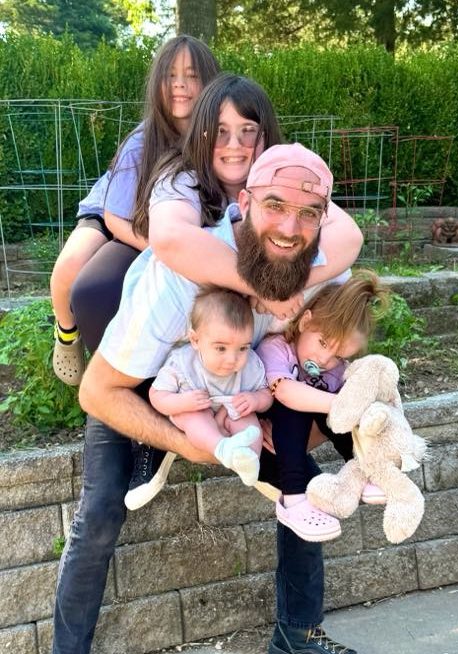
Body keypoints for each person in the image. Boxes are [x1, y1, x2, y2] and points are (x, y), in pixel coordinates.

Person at [39, 141, 373, 654]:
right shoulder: (179, 279)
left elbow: (325, 359)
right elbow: (96, 391)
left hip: (241, 387)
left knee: (299, 477)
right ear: (244, 204)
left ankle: (298, 631)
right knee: (101, 510)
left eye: (310, 213)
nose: (291, 227)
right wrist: (186, 441)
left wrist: (324, 417)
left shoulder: (317, 271)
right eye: (275, 205)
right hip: (141, 385)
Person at [123, 71, 363, 509]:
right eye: (221, 132)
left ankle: (288, 473)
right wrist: (262, 288)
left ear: (266, 135)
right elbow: (173, 240)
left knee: (297, 479)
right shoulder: (181, 178)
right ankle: (154, 440)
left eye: (248, 132)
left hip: (243, 355)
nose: (235, 145)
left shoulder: (290, 183)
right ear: (201, 134)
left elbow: (348, 238)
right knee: (153, 368)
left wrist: (289, 283)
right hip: (185, 324)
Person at [50, 35, 220, 384]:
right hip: (111, 211)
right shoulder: (141, 142)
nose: (180, 85)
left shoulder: (215, 135)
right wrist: (162, 250)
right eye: (170, 76)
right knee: (70, 266)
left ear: (210, 82)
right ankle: (66, 333)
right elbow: (115, 218)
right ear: (157, 82)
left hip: (155, 216)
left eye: (191, 76)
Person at [256, 272, 390, 541]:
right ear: (306, 322)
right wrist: (342, 405)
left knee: (341, 407)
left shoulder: (334, 370)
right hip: (265, 451)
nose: (324, 359)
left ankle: (367, 467)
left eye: (338, 356)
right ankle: (293, 501)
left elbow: (343, 415)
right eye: (323, 343)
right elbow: (283, 390)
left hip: (293, 452)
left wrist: (356, 405)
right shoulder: (277, 348)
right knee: (300, 399)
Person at [145, 287, 272, 500]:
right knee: (196, 418)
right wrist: (181, 402)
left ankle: (249, 460)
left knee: (249, 422)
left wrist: (255, 400)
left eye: (243, 348)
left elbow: (266, 394)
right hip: (194, 409)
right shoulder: (182, 363)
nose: (233, 359)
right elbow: (156, 395)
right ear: (195, 340)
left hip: (230, 409)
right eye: (221, 348)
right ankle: (221, 447)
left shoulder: (250, 364)